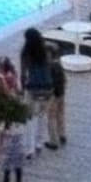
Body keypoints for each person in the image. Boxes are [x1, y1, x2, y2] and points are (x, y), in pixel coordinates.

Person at [19, 27, 55, 157]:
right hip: (47, 88)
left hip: (33, 88)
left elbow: (23, 74)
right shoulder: (46, 51)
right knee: (42, 115)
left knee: (30, 117)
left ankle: (30, 148)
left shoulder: (25, 53)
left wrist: (22, 89)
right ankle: (39, 143)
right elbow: (49, 68)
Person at [45, 45, 68, 149]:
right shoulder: (58, 65)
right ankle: (62, 135)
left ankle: (53, 141)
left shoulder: (49, 67)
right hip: (61, 94)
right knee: (60, 115)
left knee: (51, 118)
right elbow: (64, 80)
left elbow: (49, 83)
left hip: (53, 96)